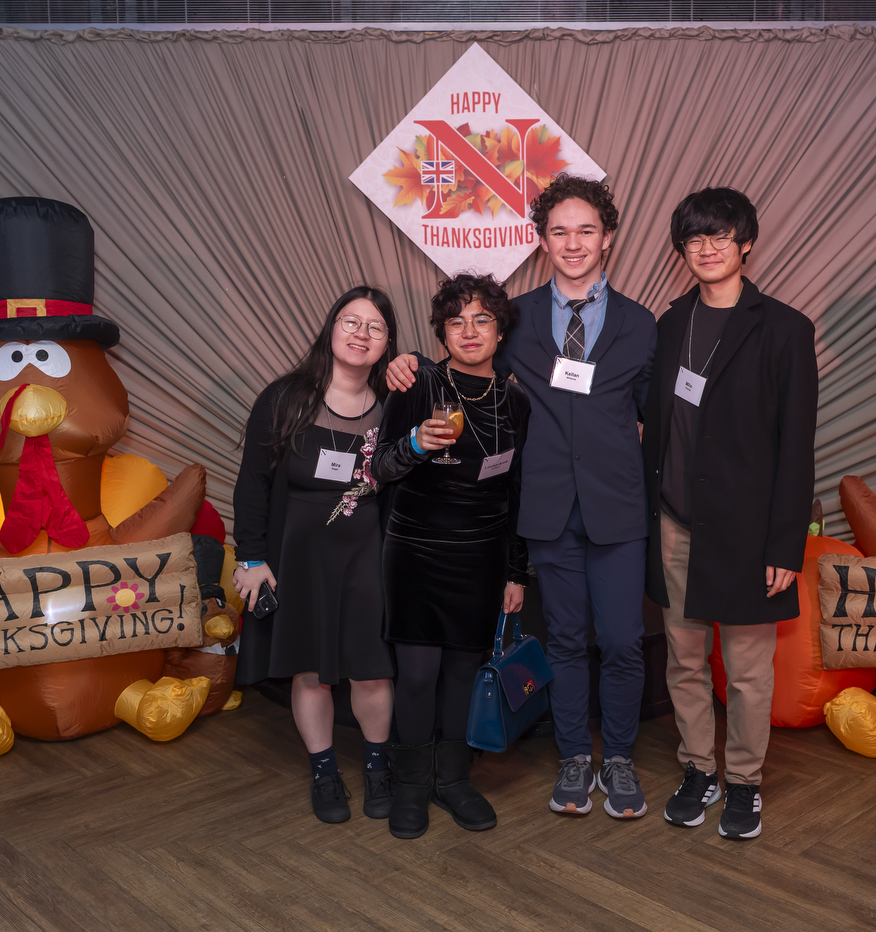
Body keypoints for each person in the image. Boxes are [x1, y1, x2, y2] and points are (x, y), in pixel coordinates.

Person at [387, 176, 657, 820]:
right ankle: (572, 759)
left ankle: (617, 759)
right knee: (564, 640)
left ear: (608, 239)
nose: (572, 243)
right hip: (546, 509)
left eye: (585, 230)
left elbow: (656, 417)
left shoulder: (643, 323)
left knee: (621, 640)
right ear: (541, 241)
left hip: (618, 509)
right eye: (559, 231)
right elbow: (465, 361)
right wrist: (404, 364)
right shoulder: (520, 319)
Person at [642, 187, 818, 840]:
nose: (708, 248)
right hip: (674, 522)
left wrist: (784, 548)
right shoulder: (669, 325)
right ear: (681, 250)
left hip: (748, 532)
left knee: (746, 671)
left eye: (721, 236)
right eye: (694, 238)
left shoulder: (785, 329)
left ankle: (743, 780)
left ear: (746, 243)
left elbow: (796, 447)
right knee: (683, 661)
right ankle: (698, 768)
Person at [371, 273, 531, 840]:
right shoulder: (417, 384)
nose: (469, 331)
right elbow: (378, 469)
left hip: (482, 555)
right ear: (441, 331)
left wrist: (516, 573)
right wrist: (415, 443)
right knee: (417, 674)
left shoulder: (515, 400)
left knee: (463, 671)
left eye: (481, 319)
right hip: (415, 549)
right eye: (456, 321)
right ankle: (411, 784)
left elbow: (516, 496)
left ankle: (454, 778)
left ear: (499, 329)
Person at [232, 286, 401, 825]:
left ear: (387, 345)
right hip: (299, 557)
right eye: (350, 321)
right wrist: (252, 557)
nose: (360, 334)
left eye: (374, 328)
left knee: (372, 671)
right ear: (330, 329)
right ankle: (325, 769)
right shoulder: (285, 399)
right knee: (311, 671)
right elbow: (252, 485)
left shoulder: (395, 410)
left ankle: (377, 766)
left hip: (369, 557)